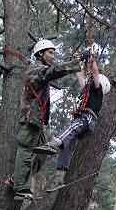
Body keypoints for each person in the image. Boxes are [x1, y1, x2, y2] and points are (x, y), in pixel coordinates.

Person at [12, 39, 81, 201]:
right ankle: (20, 187)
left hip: (38, 122)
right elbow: (52, 72)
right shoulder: (35, 69)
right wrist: (76, 63)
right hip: (30, 120)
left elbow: (51, 71)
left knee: (42, 153)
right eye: (50, 52)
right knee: (27, 150)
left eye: (54, 52)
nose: (53, 55)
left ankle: (19, 176)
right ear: (40, 54)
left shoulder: (40, 68)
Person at [32, 51, 110, 192]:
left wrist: (91, 60)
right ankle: (59, 178)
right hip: (82, 120)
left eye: (92, 80)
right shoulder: (87, 90)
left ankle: (53, 143)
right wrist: (78, 62)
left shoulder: (98, 91)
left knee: (71, 128)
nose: (90, 80)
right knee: (66, 146)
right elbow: (80, 76)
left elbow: (95, 73)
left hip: (86, 120)